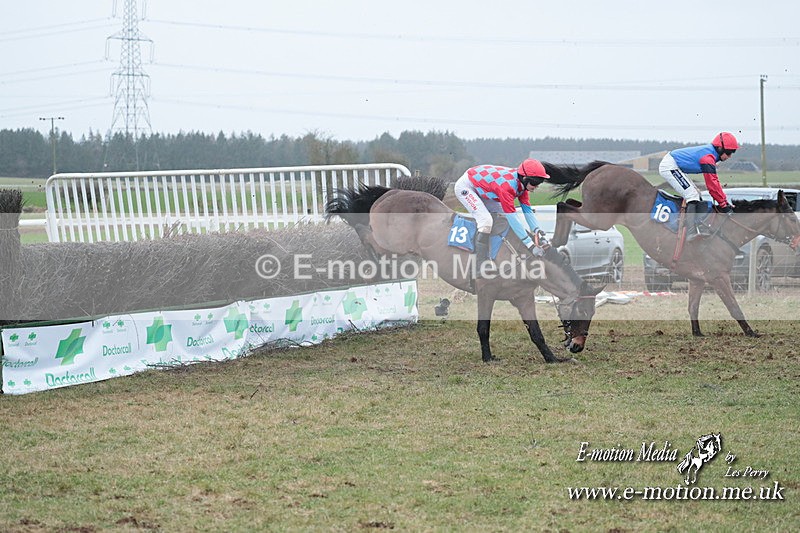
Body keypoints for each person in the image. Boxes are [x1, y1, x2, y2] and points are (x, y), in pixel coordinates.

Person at [454, 158, 550, 268]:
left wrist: (536, 229)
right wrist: (530, 245)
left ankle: (494, 255)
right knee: (486, 221)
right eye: (535, 183)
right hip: (467, 186)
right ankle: (479, 264)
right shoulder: (508, 186)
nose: (536, 186)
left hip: (484, 186)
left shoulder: (522, 185)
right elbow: (512, 218)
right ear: (525, 178)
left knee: (502, 219)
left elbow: (527, 210)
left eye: (539, 183)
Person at [659, 132, 738, 240]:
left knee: (697, 194)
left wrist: (724, 202)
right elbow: (712, 185)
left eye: (732, 153)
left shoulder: (711, 155)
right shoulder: (708, 158)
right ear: (719, 148)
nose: (729, 156)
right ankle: (690, 233)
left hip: (675, 164)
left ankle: (696, 227)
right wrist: (724, 205)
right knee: (692, 195)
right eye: (728, 153)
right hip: (670, 165)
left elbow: (715, 183)